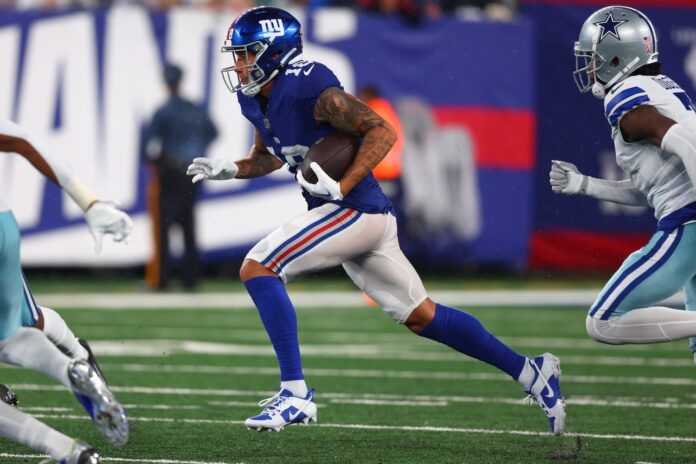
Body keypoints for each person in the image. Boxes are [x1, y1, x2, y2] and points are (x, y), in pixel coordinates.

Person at [187, 6, 565, 435]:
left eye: (246, 53)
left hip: (355, 209)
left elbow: (382, 131)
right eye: (236, 54)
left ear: (275, 51)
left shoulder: (309, 84)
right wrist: (231, 169)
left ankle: (295, 393)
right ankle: (531, 372)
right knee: (423, 316)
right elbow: (269, 155)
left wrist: (344, 184)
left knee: (259, 266)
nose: (238, 64)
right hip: (359, 216)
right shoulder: (254, 96)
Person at [551, 6, 696, 362]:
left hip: (687, 227)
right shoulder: (659, 88)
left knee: (602, 321)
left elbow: (685, 141)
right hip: (685, 216)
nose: (588, 67)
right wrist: (585, 185)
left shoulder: (625, 94)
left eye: (593, 58)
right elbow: (656, 191)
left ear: (616, 60)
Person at [0, 118, 130, 462]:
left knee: (25, 324)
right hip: (3, 224)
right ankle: (72, 366)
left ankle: (68, 452)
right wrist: (89, 202)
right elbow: (23, 139)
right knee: (14, 331)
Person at [143, 63, 218, 291]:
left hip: (172, 171)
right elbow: (213, 132)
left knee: (163, 225)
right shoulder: (195, 108)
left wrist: (156, 162)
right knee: (188, 223)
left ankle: (162, 279)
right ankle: (191, 278)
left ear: (166, 82)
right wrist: (198, 150)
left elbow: (147, 144)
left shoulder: (164, 110)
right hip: (194, 171)